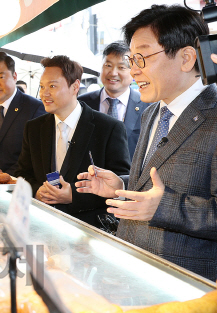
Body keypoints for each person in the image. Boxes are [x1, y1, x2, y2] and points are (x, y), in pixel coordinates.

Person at [75, 4, 217, 281]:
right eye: (132, 59)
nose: (134, 71)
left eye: (142, 58)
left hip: (185, 285)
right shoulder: (153, 111)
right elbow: (158, 182)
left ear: (186, 58)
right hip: (132, 273)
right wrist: (123, 185)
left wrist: (165, 208)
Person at [14, 55, 130, 228]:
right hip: (43, 225)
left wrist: (73, 196)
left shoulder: (108, 128)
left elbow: (120, 184)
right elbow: (22, 174)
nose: (44, 93)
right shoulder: (34, 128)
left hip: (88, 230)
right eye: (42, 86)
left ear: (75, 86)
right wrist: (37, 190)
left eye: (52, 86)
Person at [0, 52, 46, 175]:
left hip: (21, 185)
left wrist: (4, 178)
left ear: (14, 76)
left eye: (1, 77)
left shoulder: (35, 108)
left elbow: (37, 157)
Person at [78, 41, 150, 159]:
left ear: (133, 70)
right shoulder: (81, 104)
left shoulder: (148, 106)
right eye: (108, 65)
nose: (113, 73)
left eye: (121, 67)